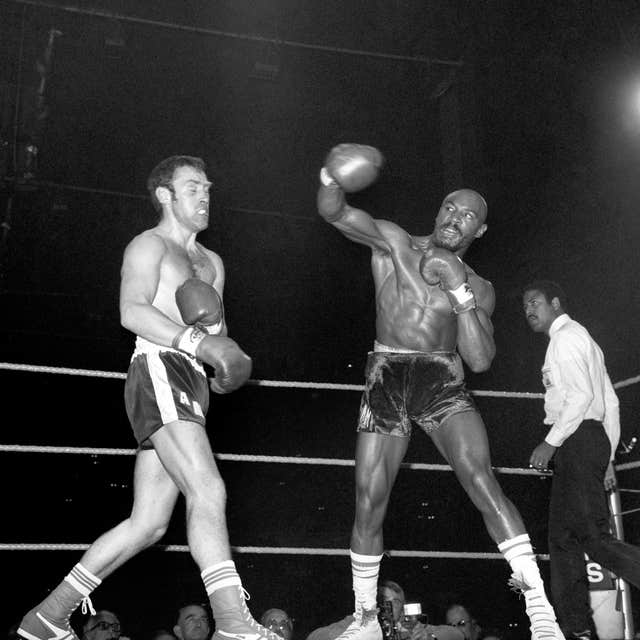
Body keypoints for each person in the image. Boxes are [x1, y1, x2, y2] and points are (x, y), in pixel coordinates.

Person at [16, 156, 279, 640]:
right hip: (158, 367)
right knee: (208, 488)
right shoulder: (148, 245)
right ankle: (232, 623)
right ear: (165, 195)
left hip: (191, 379)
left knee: (148, 524)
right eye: (193, 187)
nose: (205, 195)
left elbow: (215, 332)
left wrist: (227, 360)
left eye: (208, 187)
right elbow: (131, 310)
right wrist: (200, 344)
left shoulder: (212, 262)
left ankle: (47, 618)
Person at [316, 143, 564, 640]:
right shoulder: (394, 243)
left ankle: (541, 613)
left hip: (443, 380)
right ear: (439, 210)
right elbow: (336, 213)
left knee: (481, 479)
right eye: (452, 207)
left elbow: (480, 359)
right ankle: (365, 619)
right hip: (388, 371)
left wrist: (458, 290)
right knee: (369, 497)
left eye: (469, 216)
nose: (457, 218)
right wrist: (331, 176)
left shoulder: (482, 286)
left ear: (480, 231)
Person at [522, 280, 640, 640]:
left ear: (555, 303)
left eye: (535, 301)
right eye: (525, 306)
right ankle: (576, 629)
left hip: (576, 440)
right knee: (562, 540)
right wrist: (606, 458)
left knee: (592, 537)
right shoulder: (582, 338)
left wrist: (550, 443)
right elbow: (611, 402)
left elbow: (582, 397)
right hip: (586, 444)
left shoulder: (566, 339)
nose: (529, 310)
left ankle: (576, 627)